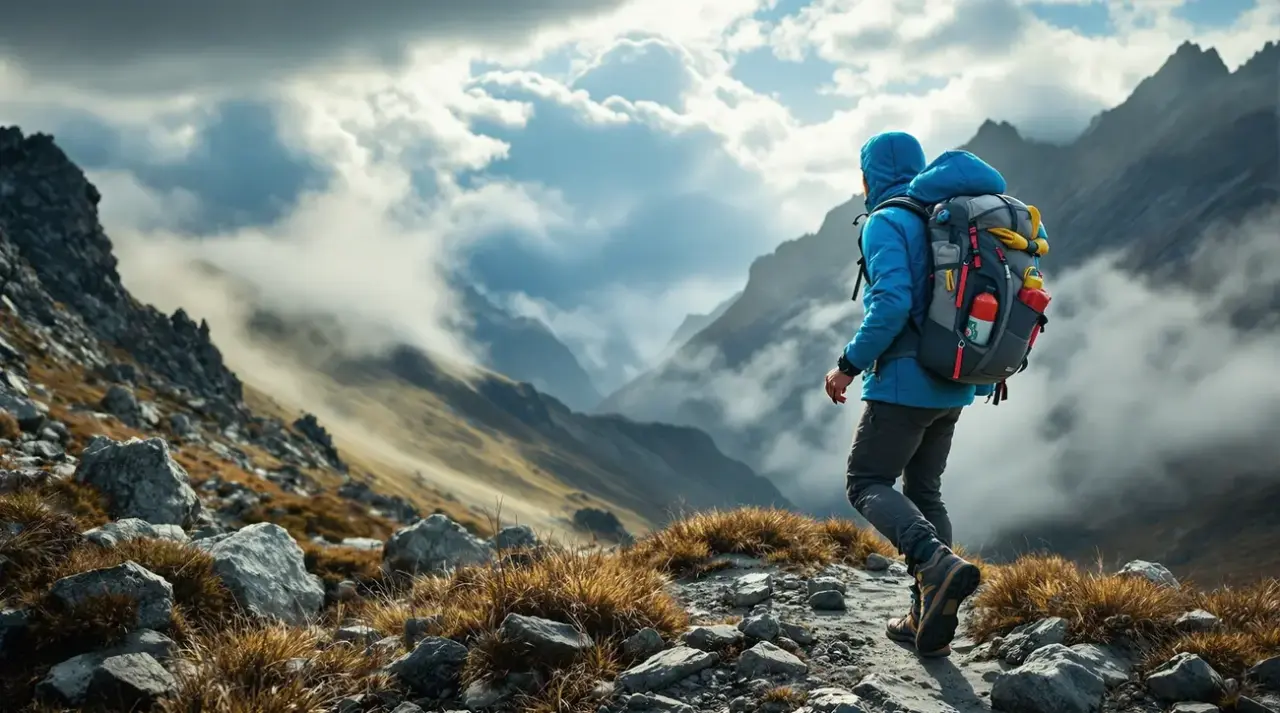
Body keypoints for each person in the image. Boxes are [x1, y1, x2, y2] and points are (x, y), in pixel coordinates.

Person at [823, 130, 1018, 658]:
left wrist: (847, 365)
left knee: (866, 481)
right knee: (926, 492)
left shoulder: (888, 221)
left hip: (905, 381)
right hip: (955, 381)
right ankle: (926, 613)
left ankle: (935, 565)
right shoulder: (945, 218)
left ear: (870, 176)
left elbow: (889, 304)